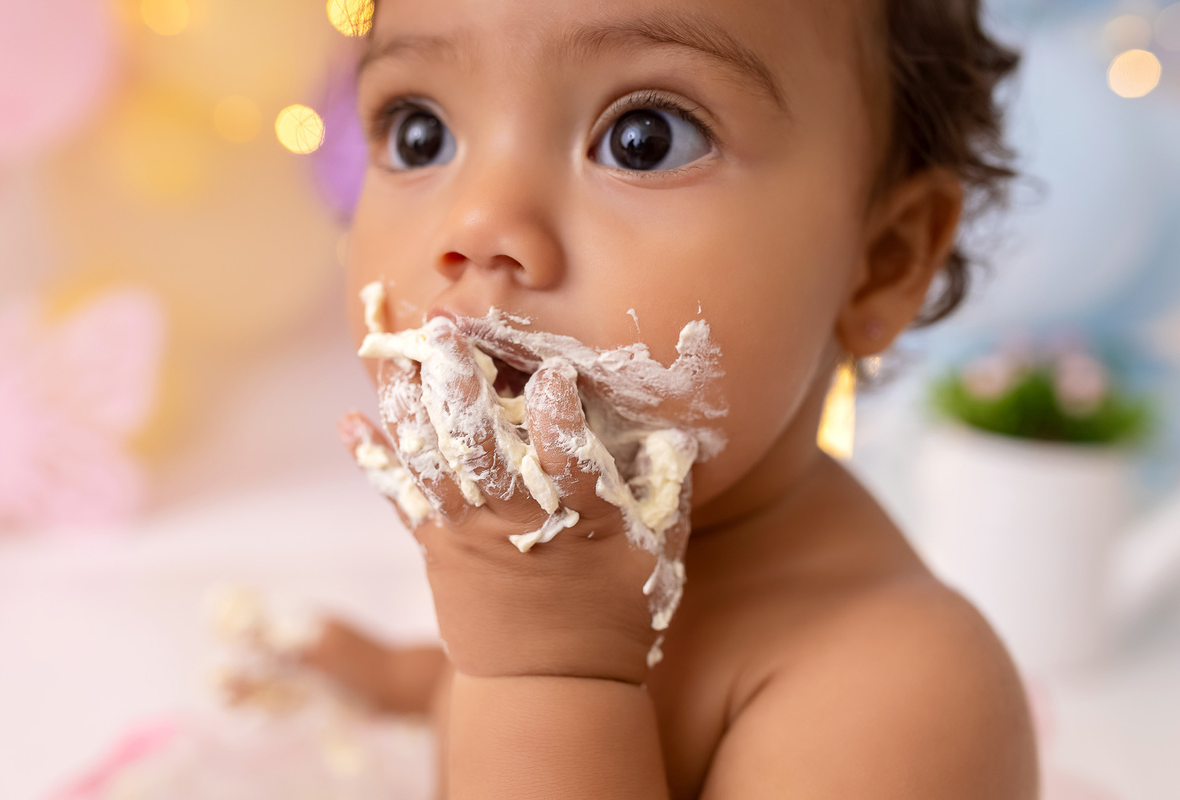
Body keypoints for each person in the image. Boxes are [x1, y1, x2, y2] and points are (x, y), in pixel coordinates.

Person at [307, 0, 1040, 796]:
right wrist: (407, 680)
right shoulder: (525, 565)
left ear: (882, 260)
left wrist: (541, 669)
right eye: (421, 133)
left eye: (644, 139)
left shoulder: (903, 692)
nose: (478, 221)